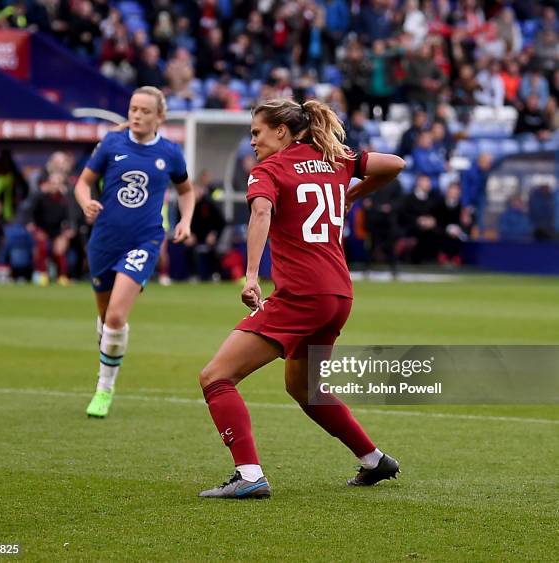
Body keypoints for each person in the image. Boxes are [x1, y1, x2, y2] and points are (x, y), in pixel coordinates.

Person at [198, 98, 405, 499]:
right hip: (338, 294)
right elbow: (395, 164)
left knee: (216, 377)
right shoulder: (333, 158)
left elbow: (260, 216)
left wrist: (252, 275)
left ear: (280, 130)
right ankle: (374, 460)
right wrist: (354, 194)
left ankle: (249, 475)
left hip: (301, 296)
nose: (253, 141)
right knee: (305, 388)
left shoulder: (269, 170)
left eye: (257, 132)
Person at [74, 86, 194, 418]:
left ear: (160, 117)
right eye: (133, 109)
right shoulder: (111, 144)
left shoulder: (170, 152)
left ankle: (104, 389)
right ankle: (108, 355)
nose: (137, 115)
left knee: (115, 316)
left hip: (146, 239)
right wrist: (87, 203)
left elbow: (186, 190)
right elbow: (82, 183)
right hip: (104, 240)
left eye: (144, 110)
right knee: (104, 318)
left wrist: (185, 220)